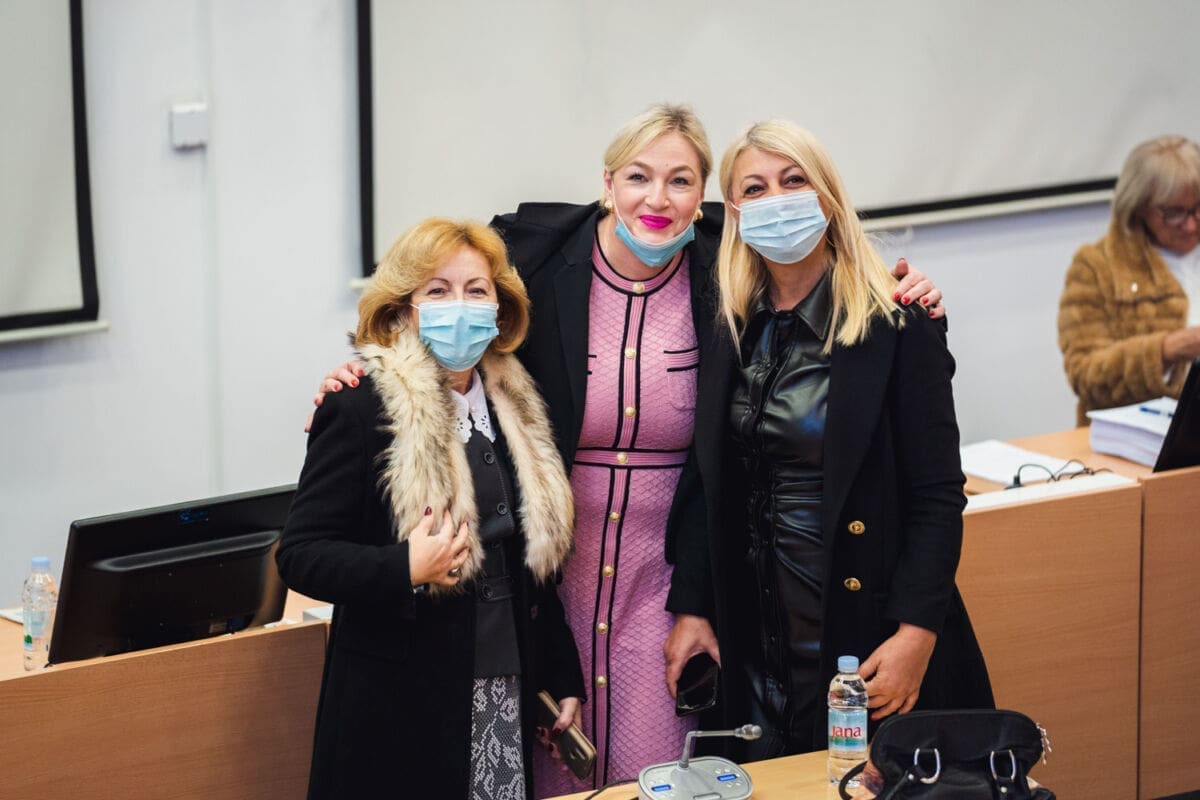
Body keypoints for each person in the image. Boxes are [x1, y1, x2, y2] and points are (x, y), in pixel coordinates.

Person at [309, 104, 945, 794]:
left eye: (681, 180)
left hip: (668, 584)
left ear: (706, 201)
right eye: (639, 176)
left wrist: (909, 289)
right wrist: (367, 372)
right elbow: (444, 324)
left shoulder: (727, 277)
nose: (657, 198)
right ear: (607, 183)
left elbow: (738, 458)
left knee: (664, 772)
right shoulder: (538, 264)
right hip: (552, 585)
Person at [680, 119, 993, 758]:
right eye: (755, 189)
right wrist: (693, 605)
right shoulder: (730, 325)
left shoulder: (897, 321)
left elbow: (938, 495)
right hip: (755, 643)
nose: (776, 200)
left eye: (794, 181)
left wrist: (917, 635)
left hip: (864, 633)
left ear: (827, 196)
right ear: (733, 211)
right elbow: (709, 480)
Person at [277, 218, 584, 800]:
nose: (459, 306)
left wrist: (560, 673)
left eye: (476, 290)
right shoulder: (359, 406)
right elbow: (300, 555)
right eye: (437, 291)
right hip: (398, 706)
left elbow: (531, 572)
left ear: (500, 308)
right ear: (404, 308)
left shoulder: (518, 404)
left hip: (503, 687)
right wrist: (404, 566)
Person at [1058, 134, 1200, 425]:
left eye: (1198, 207)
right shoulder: (1097, 266)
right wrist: (1168, 349)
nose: (1190, 224)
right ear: (1139, 208)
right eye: (1173, 213)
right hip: (1139, 436)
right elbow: (1085, 375)